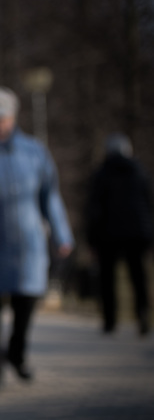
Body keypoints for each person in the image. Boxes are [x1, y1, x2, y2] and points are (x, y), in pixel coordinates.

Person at [0, 86, 74, 394]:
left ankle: (17, 352)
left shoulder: (34, 151)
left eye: (1, 119)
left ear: (12, 118)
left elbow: (50, 195)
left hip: (28, 245)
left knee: (27, 301)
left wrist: (61, 232)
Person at [86, 133, 152, 336]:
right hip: (137, 233)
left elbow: (94, 208)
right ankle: (142, 316)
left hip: (108, 234)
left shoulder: (102, 173)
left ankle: (110, 321)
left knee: (108, 279)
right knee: (138, 277)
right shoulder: (140, 171)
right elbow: (150, 203)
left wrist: (92, 238)